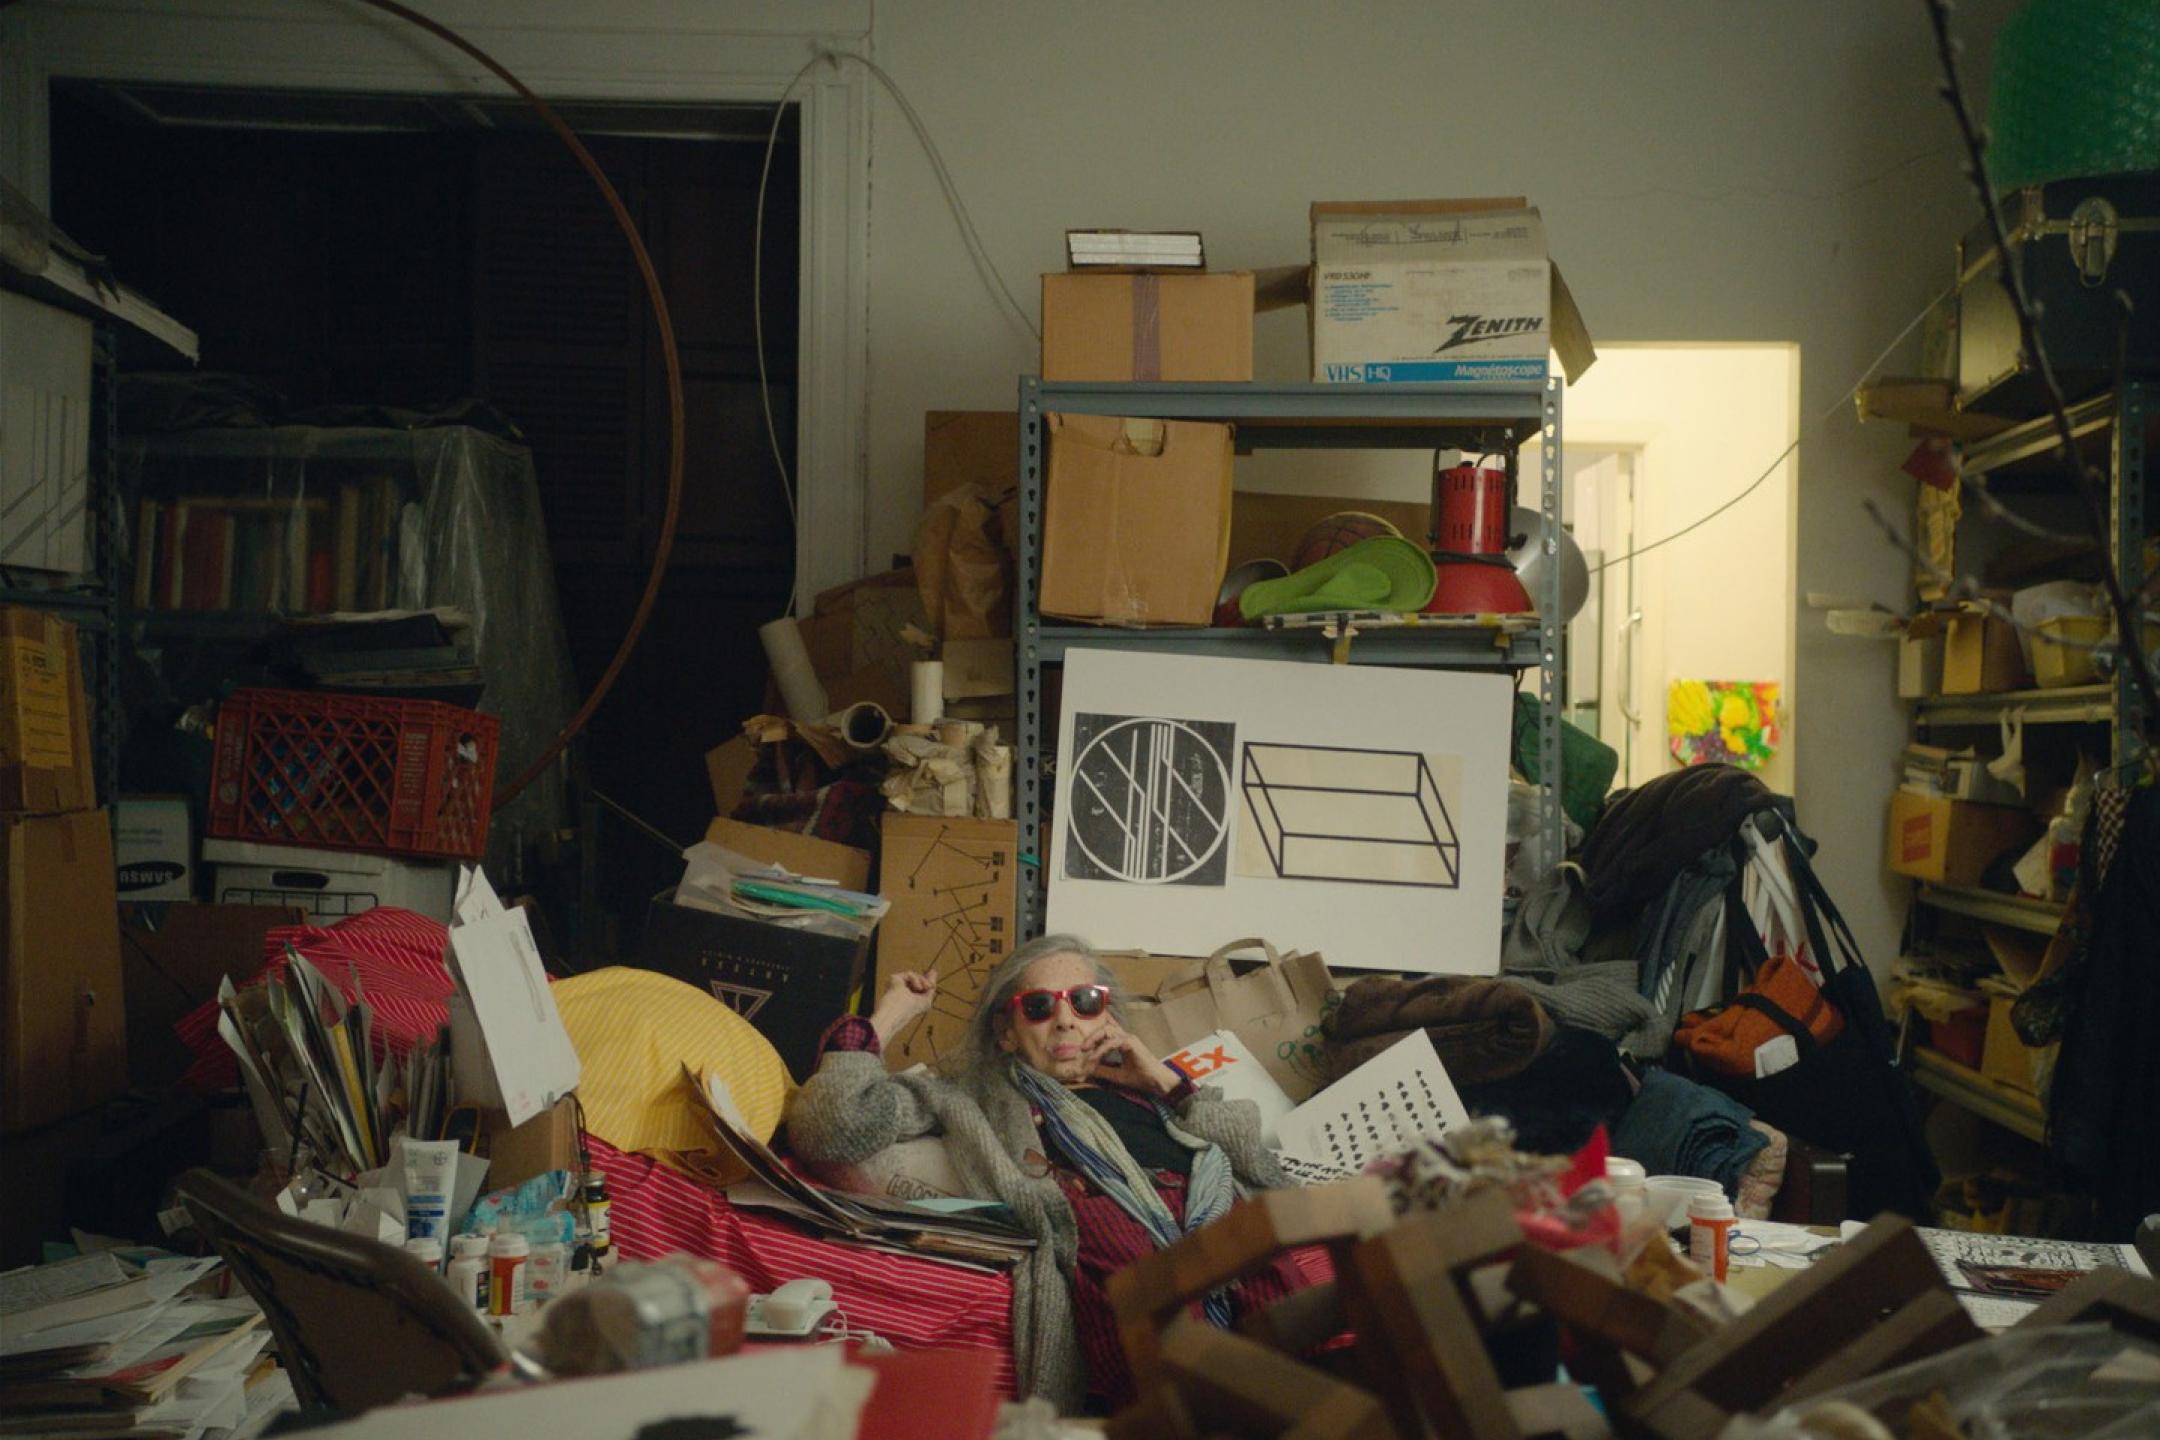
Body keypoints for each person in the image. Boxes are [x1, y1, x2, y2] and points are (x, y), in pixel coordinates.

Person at [786, 933, 1300, 1414]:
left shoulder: (1147, 1087)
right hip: (1096, 1212)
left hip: (1208, 1200)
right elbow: (831, 1128)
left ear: (1108, 1016)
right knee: (1152, 1292)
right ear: (1006, 1034)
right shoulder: (967, 1095)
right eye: (1038, 1007)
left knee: (1290, 1284)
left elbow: (1262, 1169)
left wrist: (1166, 1082)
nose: (1066, 1020)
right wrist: (889, 1014)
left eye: (1085, 1001)